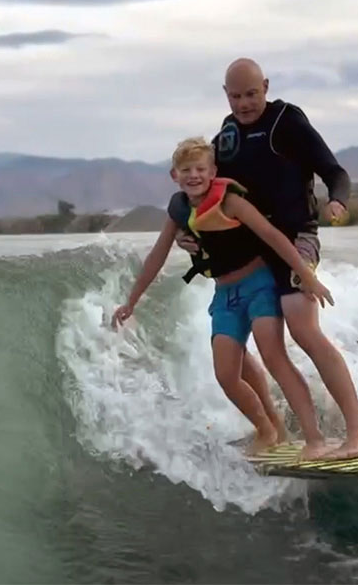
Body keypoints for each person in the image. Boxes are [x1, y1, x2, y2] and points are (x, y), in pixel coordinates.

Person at [177, 57, 358, 460]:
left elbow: (333, 170)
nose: (244, 103)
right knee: (252, 345)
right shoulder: (228, 135)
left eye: (252, 94)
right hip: (253, 250)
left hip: (295, 238)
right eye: (236, 96)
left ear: (266, 87)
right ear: (226, 95)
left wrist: (338, 201)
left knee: (303, 328)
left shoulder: (286, 121)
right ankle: (276, 430)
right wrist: (190, 232)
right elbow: (204, 191)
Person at [112, 137, 334, 458]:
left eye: (200, 169)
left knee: (272, 354)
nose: (194, 175)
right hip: (225, 296)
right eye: (186, 170)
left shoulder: (230, 202)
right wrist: (132, 301)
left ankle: (314, 439)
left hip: (260, 286)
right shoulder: (179, 211)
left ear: (213, 171)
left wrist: (309, 276)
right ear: (174, 176)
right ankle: (268, 429)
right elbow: (156, 257)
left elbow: (272, 236)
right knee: (226, 376)